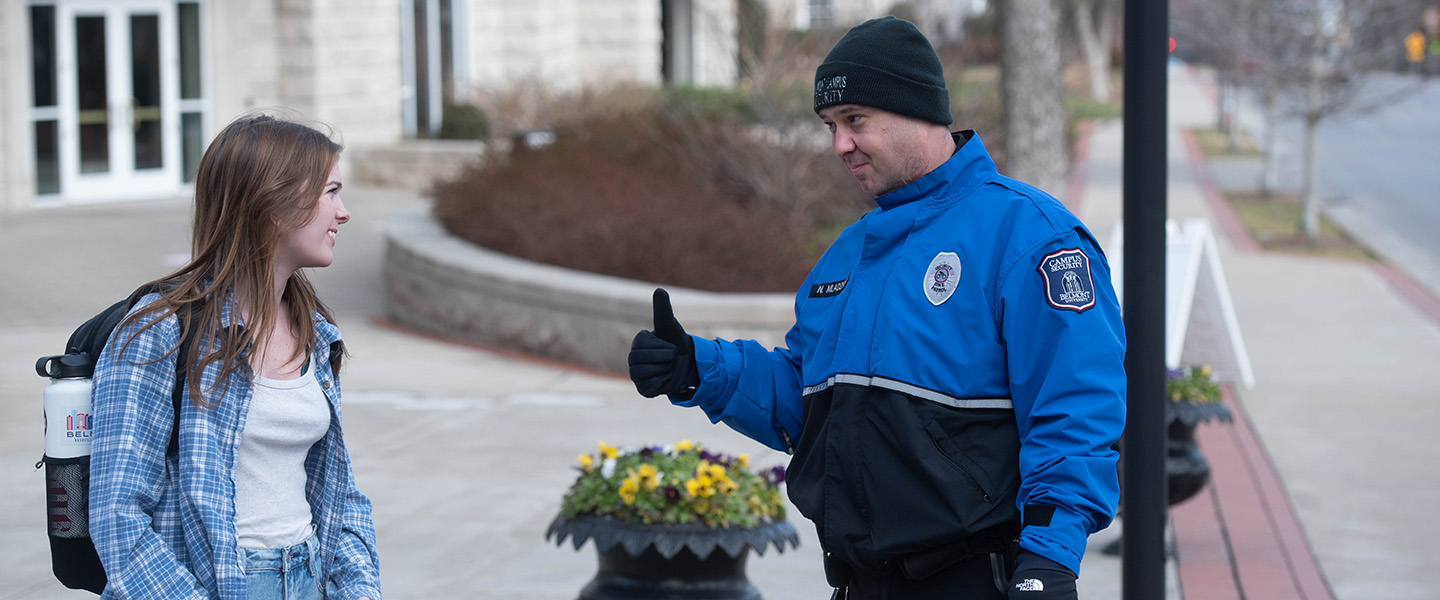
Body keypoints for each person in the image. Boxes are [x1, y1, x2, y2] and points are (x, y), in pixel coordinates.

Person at [628, 16, 1124, 600]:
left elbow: (1075, 410)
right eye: (831, 126)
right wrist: (698, 368)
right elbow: (812, 407)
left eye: (854, 120)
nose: (840, 145)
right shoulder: (848, 253)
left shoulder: (1030, 237)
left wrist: (1051, 557)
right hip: (859, 583)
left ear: (916, 108)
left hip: (980, 581)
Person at [89, 114, 382, 600]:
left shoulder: (315, 329)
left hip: (308, 577)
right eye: (330, 192)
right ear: (274, 203)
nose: (344, 212)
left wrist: (359, 588)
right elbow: (118, 519)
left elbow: (340, 493)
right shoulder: (158, 330)